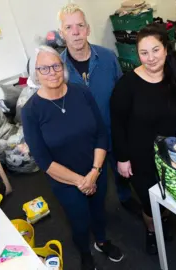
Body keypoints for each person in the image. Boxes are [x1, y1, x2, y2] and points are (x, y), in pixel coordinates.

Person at [110, 24, 176, 255]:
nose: (150, 58)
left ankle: (165, 220)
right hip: (140, 156)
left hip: (172, 152)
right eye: (144, 53)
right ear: (137, 54)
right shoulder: (126, 85)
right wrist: (122, 158)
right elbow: (117, 124)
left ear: (166, 49)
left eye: (155, 50)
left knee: (169, 192)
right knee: (150, 204)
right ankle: (152, 230)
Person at [21, 46, 124, 270]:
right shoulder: (31, 111)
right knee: (79, 220)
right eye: (44, 68)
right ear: (35, 73)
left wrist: (95, 172)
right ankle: (85, 253)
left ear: (63, 67)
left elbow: (100, 133)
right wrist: (80, 181)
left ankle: (102, 241)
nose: (52, 72)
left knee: (98, 210)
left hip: (95, 169)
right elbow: (43, 160)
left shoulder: (81, 93)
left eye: (56, 66)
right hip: (65, 180)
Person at [57, 4, 141, 215]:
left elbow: (122, 92)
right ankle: (97, 211)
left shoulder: (107, 57)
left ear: (88, 29)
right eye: (69, 27)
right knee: (92, 180)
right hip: (84, 140)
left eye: (80, 25)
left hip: (113, 129)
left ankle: (124, 196)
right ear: (62, 33)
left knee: (122, 171)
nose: (75, 32)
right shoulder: (57, 68)